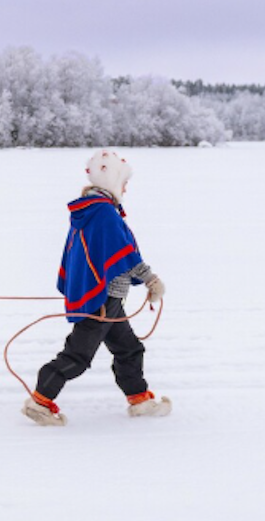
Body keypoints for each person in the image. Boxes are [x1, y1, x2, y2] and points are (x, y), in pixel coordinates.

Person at [23, 148, 172, 426]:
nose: (126, 187)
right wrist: (151, 280)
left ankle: (139, 400)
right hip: (103, 300)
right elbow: (126, 254)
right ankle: (40, 401)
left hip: (108, 298)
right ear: (113, 180)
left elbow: (108, 254)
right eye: (124, 181)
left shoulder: (91, 209)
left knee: (129, 349)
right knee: (78, 355)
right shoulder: (103, 213)